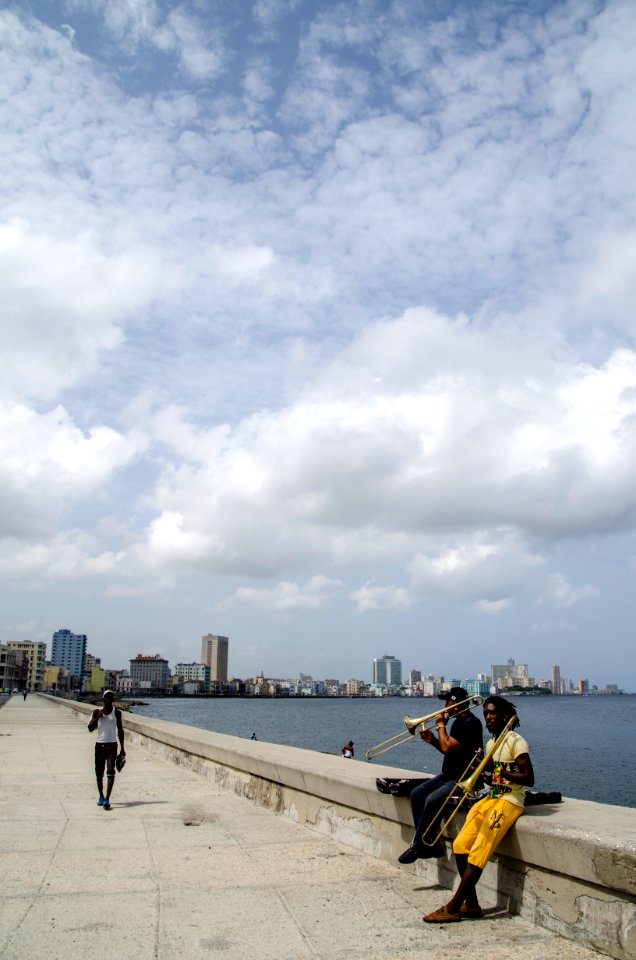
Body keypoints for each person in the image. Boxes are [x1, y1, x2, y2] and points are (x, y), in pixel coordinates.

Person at [423, 695, 534, 923]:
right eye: (485, 714)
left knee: (479, 850)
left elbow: (528, 778)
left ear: (504, 715)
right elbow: (492, 776)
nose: (488, 718)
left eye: (492, 714)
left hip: (509, 801)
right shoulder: (492, 743)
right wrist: (481, 769)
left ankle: (453, 907)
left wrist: (502, 773)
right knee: (460, 845)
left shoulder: (516, 741)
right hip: (491, 797)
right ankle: (471, 904)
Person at [398, 687, 483, 864]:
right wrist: (433, 741)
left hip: (463, 778)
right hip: (449, 774)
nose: (444, 707)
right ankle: (430, 843)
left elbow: (447, 747)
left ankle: (419, 845)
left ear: (458, 704)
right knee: (417, 794)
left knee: (432, 799)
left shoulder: (470, 723)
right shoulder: (458, 722)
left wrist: (441, 726)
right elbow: (449, 750)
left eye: (448, 703)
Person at [88, 690, 125, 811]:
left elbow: (120, 730)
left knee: (110, 772)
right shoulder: (97, 711)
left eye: (111, 698)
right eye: (107, 698)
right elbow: (90, 728)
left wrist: (123, 748)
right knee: (99, 772)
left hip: (112, 745)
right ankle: (101, 796)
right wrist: (98, 716)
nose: (109, 700)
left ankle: (107, 798)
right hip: (100, 745)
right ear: (103, 699)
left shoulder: (117, 713)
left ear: (113, 700)